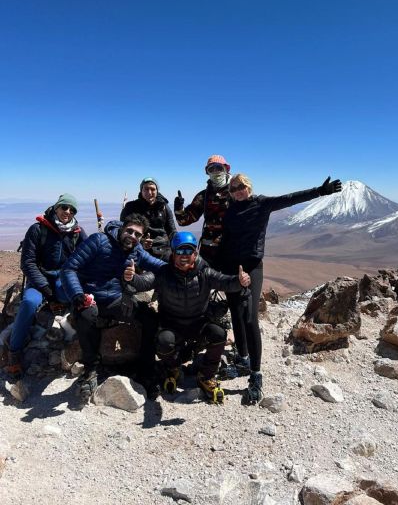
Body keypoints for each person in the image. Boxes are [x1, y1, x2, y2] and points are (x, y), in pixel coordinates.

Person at [219, 174, 342, 405]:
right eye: (233, 188)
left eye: (241, 187)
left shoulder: (262, 203)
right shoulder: (231, 209)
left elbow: (290, 198)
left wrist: (320, 191)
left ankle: (256, 375)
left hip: (252, 266)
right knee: (235, 311)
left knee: (249, 318)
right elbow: (226, 239)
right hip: (230, 267)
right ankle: (243, 360)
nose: (237, 191)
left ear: (249, 187)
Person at [124, 231, 251, 403]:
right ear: (173, 252)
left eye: (188, 251)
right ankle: (173, 369)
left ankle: (206, 375)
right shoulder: (164, 272)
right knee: (163, 341)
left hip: (198, 323)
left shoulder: (204, 272)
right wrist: (131, 278)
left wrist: (239, 281)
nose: (184, 256)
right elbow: (144, 282)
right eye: (180, 251)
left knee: (219, 334)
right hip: (172, 324)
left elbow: (225, 281)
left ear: (195, 254)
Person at [60, 213, 165, 401]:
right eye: (130, 231)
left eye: (138, 235)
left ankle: (146, 369)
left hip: (116, 299)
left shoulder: (136, 250)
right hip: (89, 297)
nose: (133, 236)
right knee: (85, 317)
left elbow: (157, 265)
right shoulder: (99, 240)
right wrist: (78, 295)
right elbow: (69, 268)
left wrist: (185, 266)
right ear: (122, 228)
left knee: (149, 317)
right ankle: (91, 368)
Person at [5, 194, 87, 379]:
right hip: (39, 280)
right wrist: (47, 292)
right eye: (64, 207)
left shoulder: (77, 232)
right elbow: (28, 263)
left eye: (72, 209)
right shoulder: (38, 229)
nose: (67, 212)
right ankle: (14, 353)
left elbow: (89, 255)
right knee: (29, 304)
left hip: (62, 279)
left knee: (74, 298)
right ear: (56, 207)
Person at [174, 155, 231, 270]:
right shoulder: (203, 196)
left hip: (231, 247)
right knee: (204, 282)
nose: (215, 172)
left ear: (226, 169)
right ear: (207, 172)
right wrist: (179, 209)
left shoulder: (236, 192)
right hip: (209, 249)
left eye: (218, 168)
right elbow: (184, 221)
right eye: (211, 169)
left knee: (232, 283)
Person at [120, 177, 176, 261]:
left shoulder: (164, 207)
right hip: (138, 248)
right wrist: (141, 242)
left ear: (157, 191)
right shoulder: (131, 207)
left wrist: (180, 244)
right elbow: (122, 229)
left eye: (152, 189)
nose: (149, 192)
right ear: (141, 190)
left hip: (163, 248)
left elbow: (171, 230)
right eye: (146, 189)